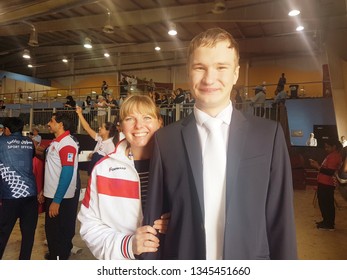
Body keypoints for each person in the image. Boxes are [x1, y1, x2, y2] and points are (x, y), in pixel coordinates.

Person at [142, 27, 297, 260]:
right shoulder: (166, 140)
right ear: (188, 73)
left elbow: (280, 219)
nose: (209, 78)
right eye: (199, 67)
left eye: (221, 67)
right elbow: (153, 225)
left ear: (235, 73)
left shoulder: (268, 135)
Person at [78, 95, 169, 260]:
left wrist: (180, 220)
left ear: (159, 122)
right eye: (130, 119)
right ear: (120, 126)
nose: (139, 125)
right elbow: (89, 226)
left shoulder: (177, 166)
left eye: (147, 117)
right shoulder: (103, 169)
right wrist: (128, 245)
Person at [39, 112, 79, 260]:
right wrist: (45, 189)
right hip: (53, 194)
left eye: (51, 121)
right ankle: (56, 253)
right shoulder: (56, 142)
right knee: (52, 230)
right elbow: (52, 170)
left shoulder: (67, 144)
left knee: (58, 231)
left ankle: (59, 257)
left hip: (61, 197)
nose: (49, 124)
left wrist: (56, 200)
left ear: (61, 124)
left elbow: (67, 173)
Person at [0, 117, 38, 260]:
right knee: (28, 235)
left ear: (7, 130)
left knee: (3, 233)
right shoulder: (29, 142)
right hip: (30, 195)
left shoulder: (1, 142)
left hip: (10, 196)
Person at [309, 138, 342, 231]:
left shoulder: (334, 156)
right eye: (325, 147)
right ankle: (326, 221)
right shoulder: (331, 155)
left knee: (327, 204)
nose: (326, 149)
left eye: (328, 147)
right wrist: (318, 166)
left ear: (334, 147)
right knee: (323, 203)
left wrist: (317, 166)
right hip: (324, 183)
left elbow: (330, 172)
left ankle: (329, 224)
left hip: (327, 183)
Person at [75, 106, 118, 175]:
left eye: (102, 127)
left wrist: (94, 155)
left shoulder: (110, 146)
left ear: (108, 131)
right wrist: (80, 114)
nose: (99, 128)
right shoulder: (100, 138)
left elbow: (110, 164)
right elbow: (87, 128)